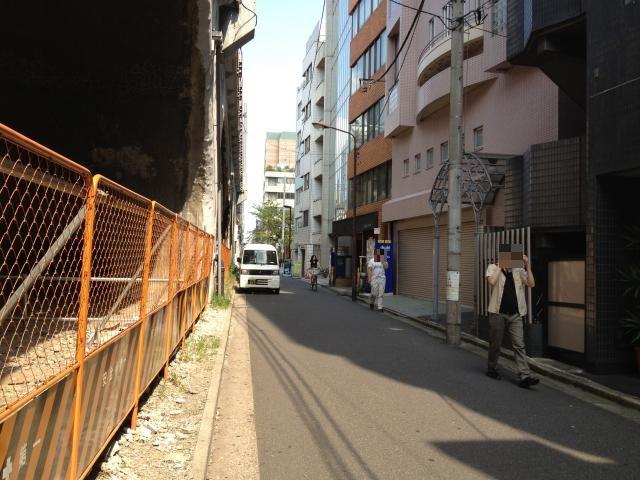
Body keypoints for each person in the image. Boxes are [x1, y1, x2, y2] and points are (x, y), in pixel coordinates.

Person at [485, 249, 539, 388]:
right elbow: (492, 281)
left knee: (519, 344)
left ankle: (524, 376)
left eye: (513, 256)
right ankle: (492, 368)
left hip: (516, 314)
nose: (511, 259)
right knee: (495, 343)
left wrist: (527, 265)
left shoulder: (518, 270)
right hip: (497, 313)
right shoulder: (493, 267)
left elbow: (531, 284)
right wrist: (500, 265)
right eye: (508, 256)